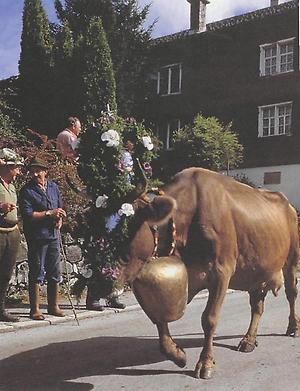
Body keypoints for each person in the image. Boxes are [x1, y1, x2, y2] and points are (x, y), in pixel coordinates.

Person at [19, 157, 67, 320]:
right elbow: (28, 215)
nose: (35, 173)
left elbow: (59, 206)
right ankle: (35, 309)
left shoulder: (53, 187)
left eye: (38, 170)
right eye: (32, 170)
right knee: (37, 271)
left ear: (45, 172)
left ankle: (53, 306)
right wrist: (48, 213)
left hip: (53, 234)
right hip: (37, 236)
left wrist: (59, 218)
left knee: (55, 270)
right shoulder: (27, 190)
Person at [0, 148, 24, 322]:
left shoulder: (13, 186)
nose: (18, 171)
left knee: (6, 273)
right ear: (7, 167)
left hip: (12, 232)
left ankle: (1, 309)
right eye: (16, 167)